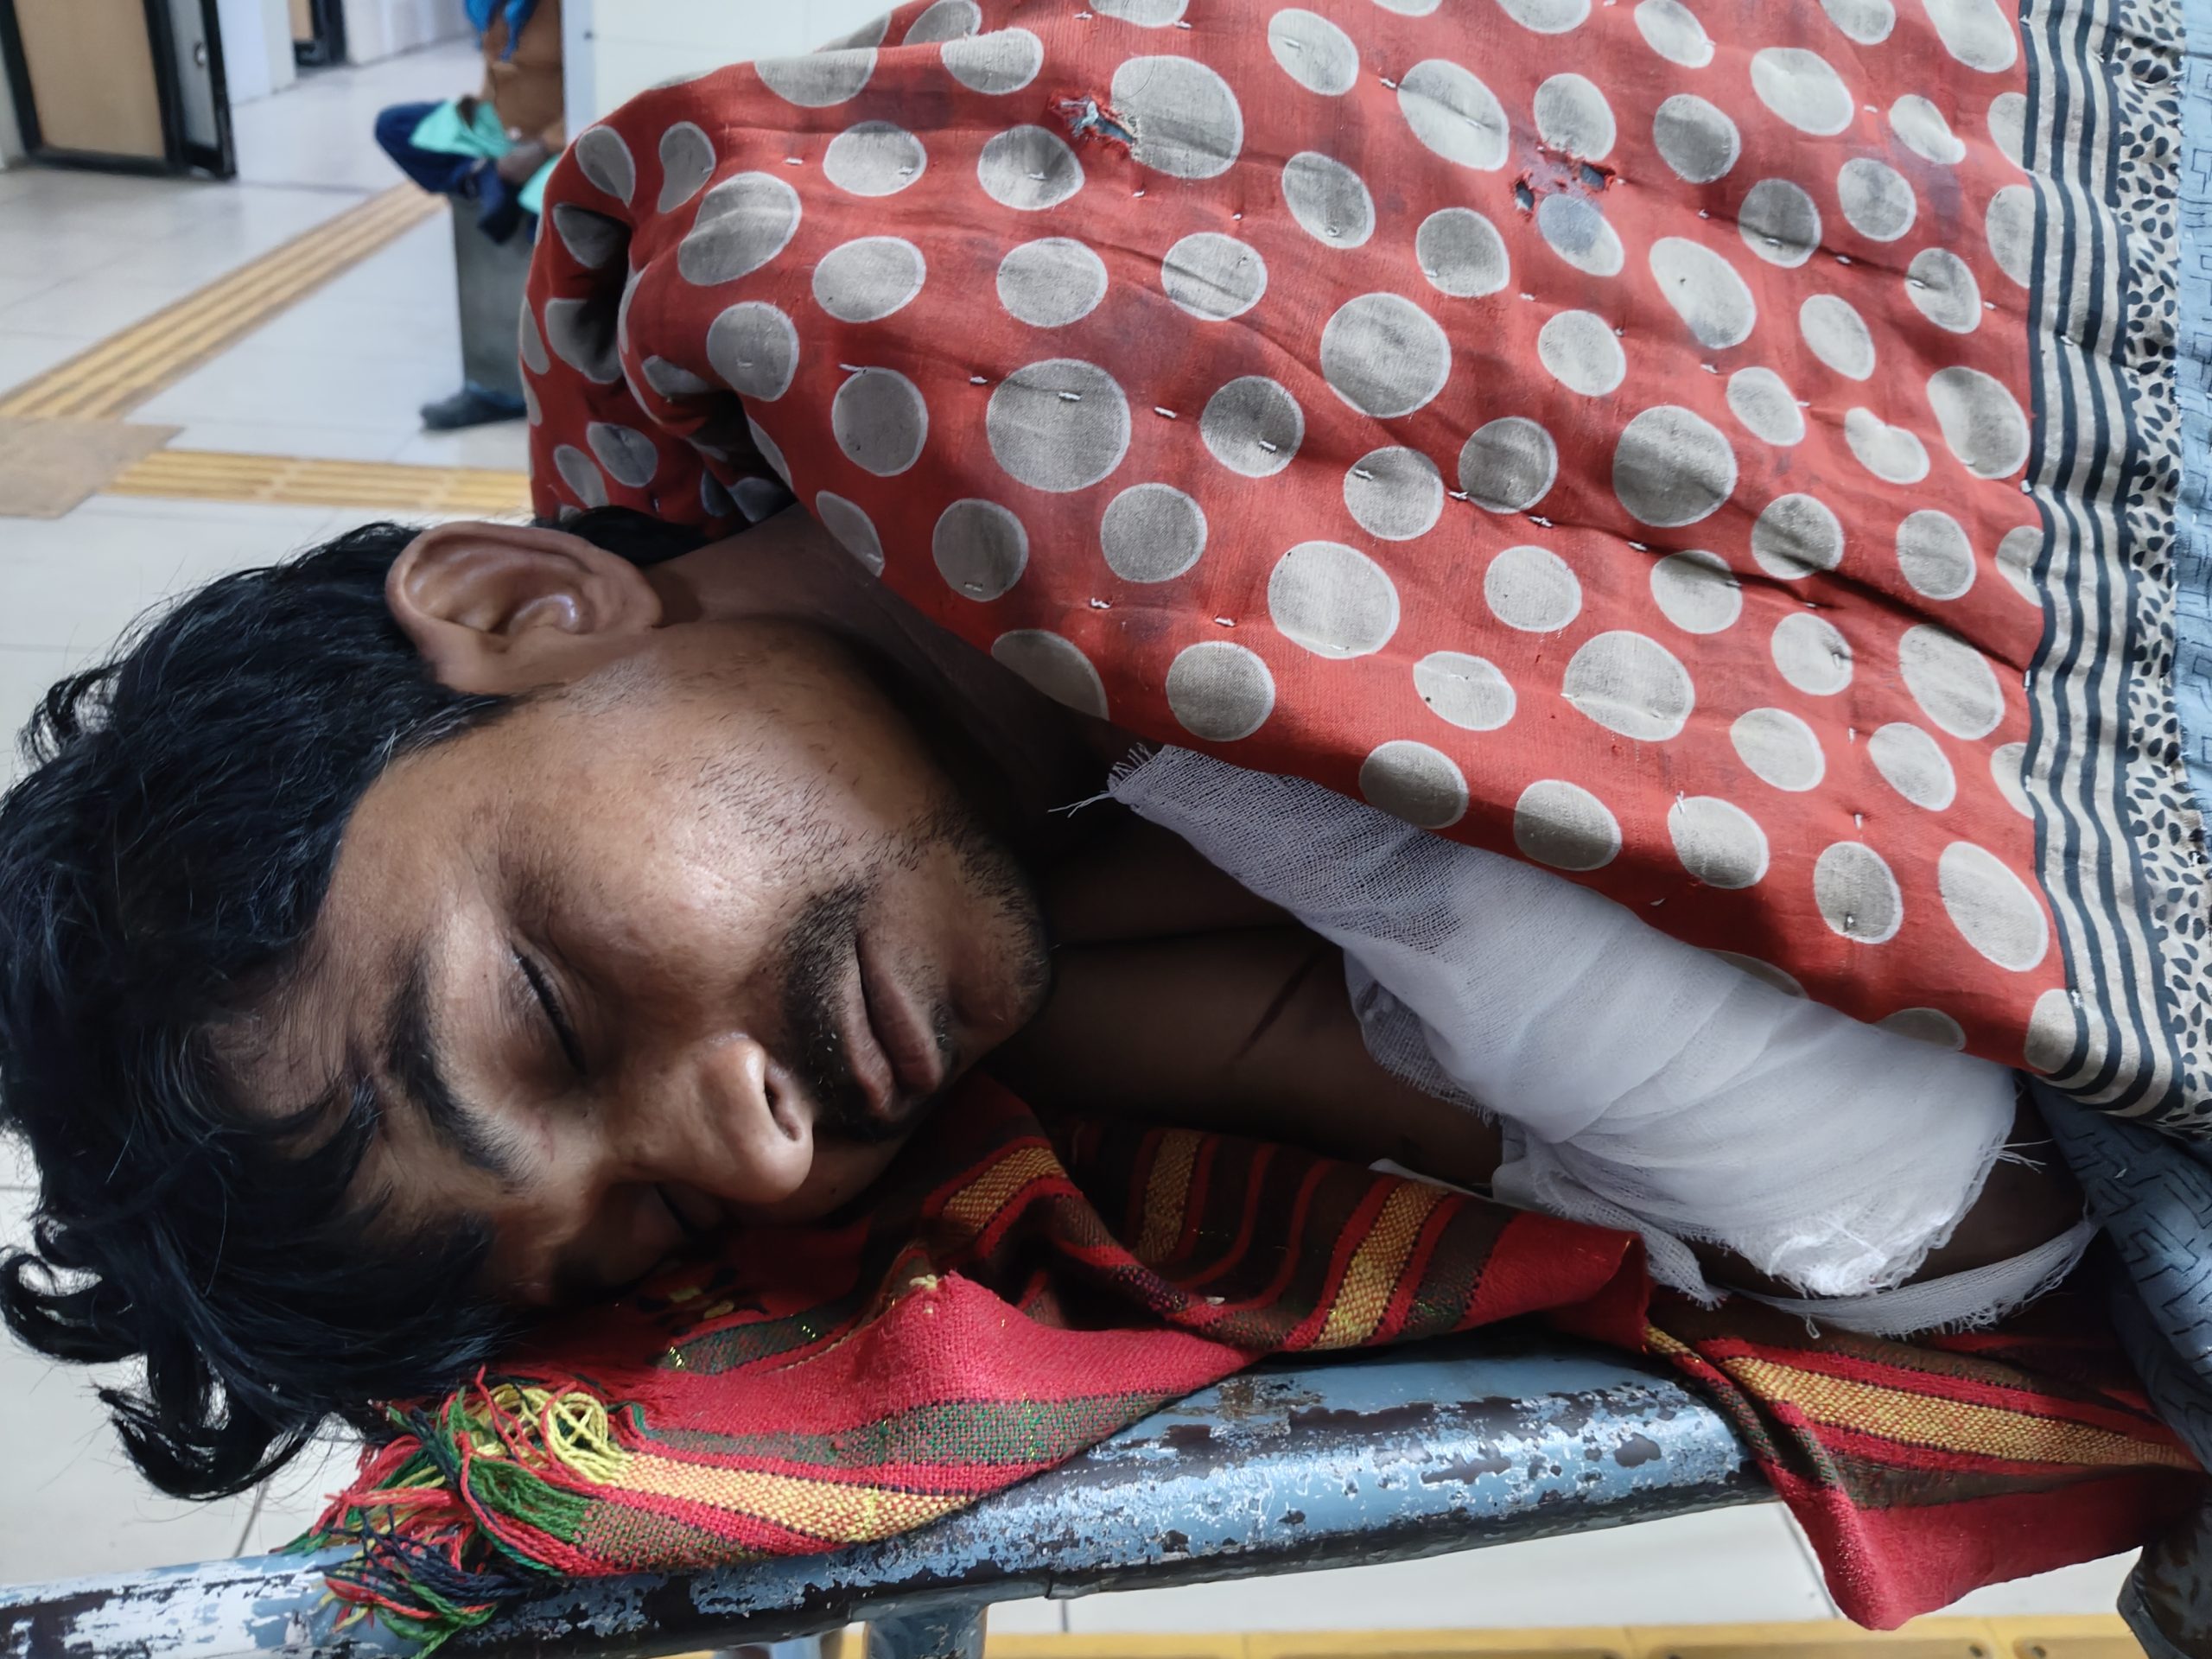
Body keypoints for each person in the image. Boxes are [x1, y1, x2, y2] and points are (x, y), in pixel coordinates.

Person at [0, 498, 2084, 1502]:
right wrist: (1179, 994)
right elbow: (1938, 1231)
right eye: (667, 1217)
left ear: (526, 601)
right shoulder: (1066, 924)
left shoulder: (1060, 352)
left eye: (545, 1020)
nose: (760, 1151)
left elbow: (1879, 1192)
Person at [371, 0, 563, 430]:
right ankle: (479, 178)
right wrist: (484, 124)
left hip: (560, 141)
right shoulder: (488, 5)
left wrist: (542, 147)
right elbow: (499, 74)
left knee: (547, 220)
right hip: (498, 130)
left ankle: (540, 383)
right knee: (397, 126)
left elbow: (606, 86)